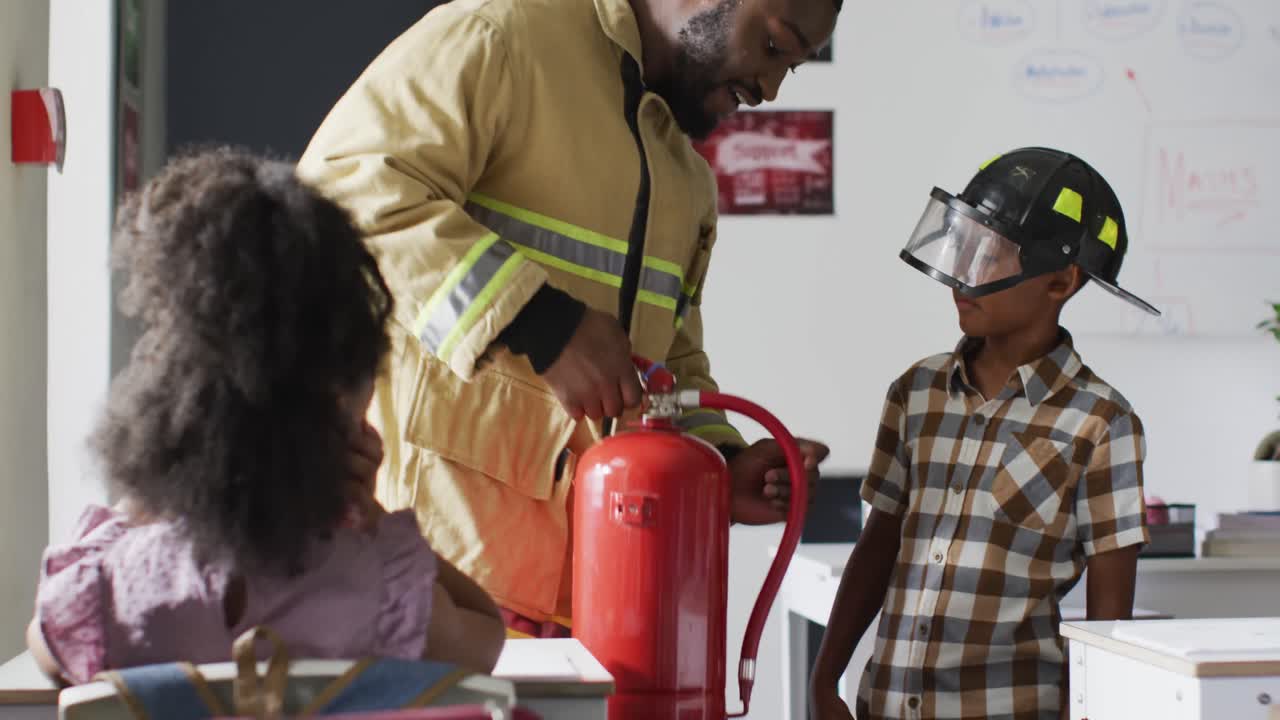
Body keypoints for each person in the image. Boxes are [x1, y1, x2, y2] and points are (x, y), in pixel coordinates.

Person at [297, 0, 839, 635]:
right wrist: (541, 323)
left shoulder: (686, 179)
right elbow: (339, 195)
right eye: (774, 48)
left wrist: (719, 463)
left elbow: (673, 363)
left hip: (598, 604)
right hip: (439, 584)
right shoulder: (501, 36)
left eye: (791, 69)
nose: (769, 90)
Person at [26, 148, 506, 685]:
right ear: (346, 402)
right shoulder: (381, 595)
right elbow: (487, 633)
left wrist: (149, 498)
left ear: (163, 403)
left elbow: (46, 639)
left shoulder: (109, 598)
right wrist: (371, 517)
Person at [809, 147, 1160, 720]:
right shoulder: (915, 393)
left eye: (991, 254)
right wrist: (825, 679)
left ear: (1060, 281)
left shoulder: (1102, 424)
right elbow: (878, 545)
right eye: (964, 244)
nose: (963, 271)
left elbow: (1109, 623)